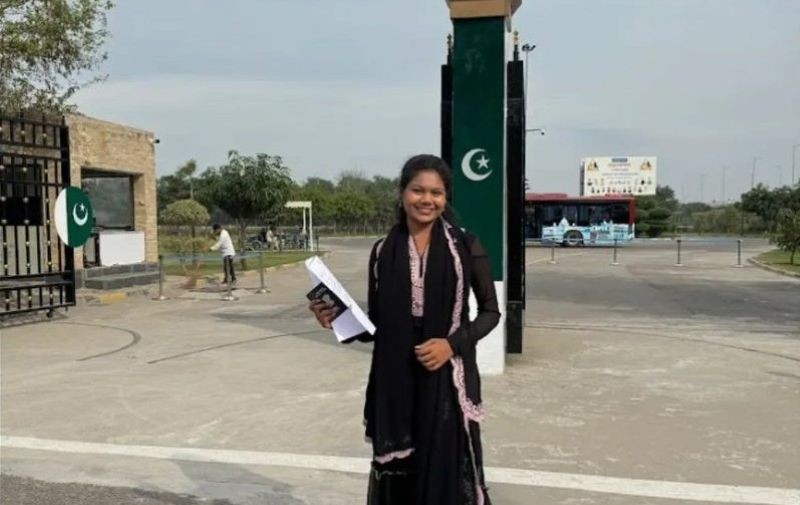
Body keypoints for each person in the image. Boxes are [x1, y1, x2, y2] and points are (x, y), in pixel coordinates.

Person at [309, 154, 500, 505]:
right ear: (401, 193)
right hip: (396, 383)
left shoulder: (465, 246)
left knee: (446, 475)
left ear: (445, 198)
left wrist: (451, 344)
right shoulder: (383, 251)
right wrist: (336, 318)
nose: (427, 200)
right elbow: (378, 325)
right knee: (402, 479)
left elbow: (491, 312)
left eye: (436, 193)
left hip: (446, 379)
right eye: (417, 190)